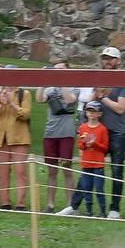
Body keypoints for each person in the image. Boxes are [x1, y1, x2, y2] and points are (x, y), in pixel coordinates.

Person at [87, 46, 125, 219]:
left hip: (118, 132)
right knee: (89, 166)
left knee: (116, 170)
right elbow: (90, 104)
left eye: (110, 58)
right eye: (105, 58)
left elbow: (121, 108)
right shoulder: (100, 79)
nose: (107, 61)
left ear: (118, 61)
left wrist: (102, 97)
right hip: (99, 130)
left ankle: (115, 208)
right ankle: (79, 204)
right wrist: (96, 95)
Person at [0, 72, 32, 209]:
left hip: (19, 137)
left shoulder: (24, 93)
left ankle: (20, 203)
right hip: (1, 137)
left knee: (20, 170)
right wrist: (2, 105)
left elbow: (25, 114)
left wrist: (12, 103)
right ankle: (5, 202)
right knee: (2, 170)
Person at [60, 100, 109, 218]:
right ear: (86, 113)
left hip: (98, 164)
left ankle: (103, 211)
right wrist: (85, 143)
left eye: (94, 111)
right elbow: (80, 146)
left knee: (99, 189)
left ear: (99, 114)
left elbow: (105, 148)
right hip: (86, 164)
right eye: (89, 111)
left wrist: (94, 143)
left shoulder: (102, 129)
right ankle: (89, 210)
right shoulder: (83, 127)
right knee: (87, 189)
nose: (91, 113)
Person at [41, 64, 79, 212]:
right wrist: (42, 82)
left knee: (66, 169)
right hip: (50, 135)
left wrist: (61, 81)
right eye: (56, 70)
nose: (58, 72)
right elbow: (40, 99)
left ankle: (71, 205)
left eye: (62, 69)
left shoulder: (73, 87)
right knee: (51, 170)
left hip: (66, 135)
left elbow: (70, 100)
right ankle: (50, 204)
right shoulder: (50, 88)